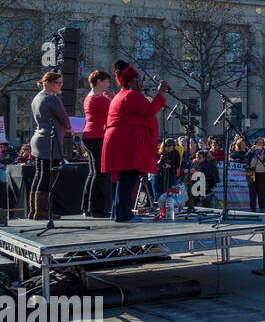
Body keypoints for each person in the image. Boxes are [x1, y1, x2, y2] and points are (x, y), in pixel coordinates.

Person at [102, 61, 169, 223]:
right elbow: (149, 110)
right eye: (138, 79)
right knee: (127, 178)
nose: (141, 82)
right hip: (126, 142)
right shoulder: (130, 95)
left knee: (125, 178)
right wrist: (160, 93)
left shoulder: (123, 95)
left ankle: (119, 212)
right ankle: (122, 214)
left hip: (122, 141)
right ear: (131, 81)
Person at [28, 70, 72, 220]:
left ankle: (34, 210)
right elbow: (64, 118)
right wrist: (70, 127)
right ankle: (41, 211)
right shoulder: (52, 99)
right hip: (49, 141)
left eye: (61, 83)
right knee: (45, 176)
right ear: (47, 83)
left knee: (39, 174)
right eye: (57, 83)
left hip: (39, 139)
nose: (60, 86)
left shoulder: (37, 98)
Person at [80, 69, 113, 217]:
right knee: (100, 173)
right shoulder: (98, 99)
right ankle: (95, 208)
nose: (108, 84)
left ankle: (87, 206)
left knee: (93, 173)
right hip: (97, 135)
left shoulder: (89, 97)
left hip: (89, 135)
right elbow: (115, 111)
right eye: (106, 81)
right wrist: (113, 98)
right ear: (99, 81)